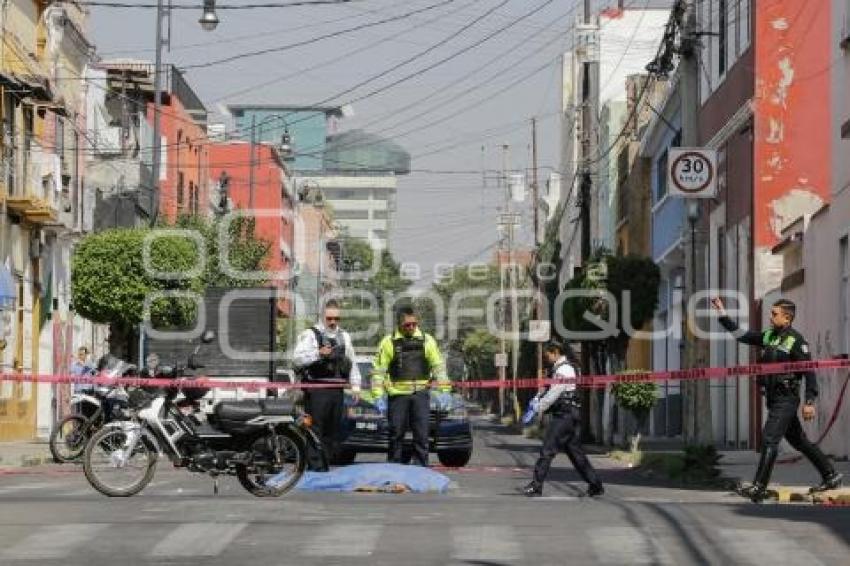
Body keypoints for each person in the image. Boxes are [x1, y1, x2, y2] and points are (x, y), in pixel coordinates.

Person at [711, 297, 843, 501]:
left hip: (787, 398)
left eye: (775, 314)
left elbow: (809, 372)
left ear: (787, 318)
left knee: (769, 438)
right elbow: (743, 336)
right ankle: (831, 475)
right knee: (799, 441)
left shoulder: (796, 341)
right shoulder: (769, 337)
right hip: (773, 398)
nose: (770, 317)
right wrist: (722, 313)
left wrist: (809, 402)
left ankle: (759, 487)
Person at [522, 341, 604, 498]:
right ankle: (595, 484)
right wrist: (535, 400)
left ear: (555, 352)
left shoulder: (565, 369)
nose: (547, 358)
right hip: (568, 415)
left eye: (547, 355)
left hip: (565, 416)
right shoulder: (558, 369)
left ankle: (536, 485)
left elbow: (554, 393)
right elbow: (547, 389)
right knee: (575, 454)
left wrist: (538, 408)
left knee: (547, 450)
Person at [372, 306, 451, 466]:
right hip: (397, 395)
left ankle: (421, 466)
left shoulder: (427, 340)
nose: (411, 327)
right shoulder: (388, 342)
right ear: (399, 324)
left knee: (422, 434)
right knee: (396, 433)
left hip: (420, 394)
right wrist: (378, 395)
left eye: (414, 324)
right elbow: (378, 371)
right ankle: (394, 466)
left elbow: (438, 366)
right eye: (407, 325)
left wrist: (445, 390)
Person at [293, 300, 361, 472]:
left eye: (336, 318)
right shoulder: (310, 334)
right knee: (315, 428)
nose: (333, 322)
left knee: (333, 430)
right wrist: (318, 353)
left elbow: (351, 361)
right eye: (329, 318)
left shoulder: (344, 336)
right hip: (317, 390)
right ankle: (315, 467)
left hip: (336, 390)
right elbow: (297, 359)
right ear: (322, 317)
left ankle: (325, 464)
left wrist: (356, 385)